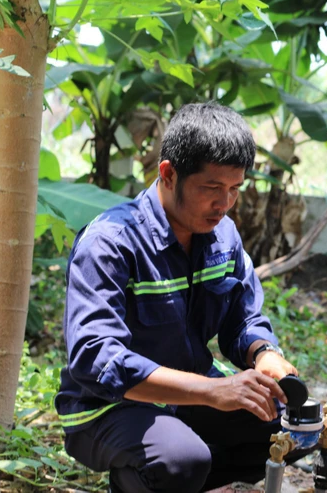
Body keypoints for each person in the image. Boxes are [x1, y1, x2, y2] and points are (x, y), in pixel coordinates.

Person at [54, 103, 299, 493]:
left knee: (292, 427)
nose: (225, 204)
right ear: (168, 174)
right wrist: (212, 391)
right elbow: (96, 358)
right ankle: (151, 477)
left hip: (188, 398)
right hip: (105, 407)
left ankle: (179, 480)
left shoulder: (223, 236)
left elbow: (242, 320)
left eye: (235, 189)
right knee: (182, 460)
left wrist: (263, 353)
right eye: (212, 189)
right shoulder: (109, 242)